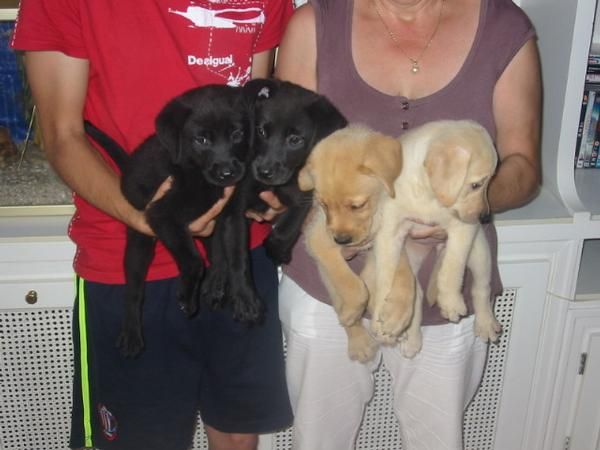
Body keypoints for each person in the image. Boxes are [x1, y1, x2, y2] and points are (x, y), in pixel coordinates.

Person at [11, 1, 294, 449]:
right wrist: (151, 219)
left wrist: (272, 191)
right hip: (128, 260)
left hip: (241, 256)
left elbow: (253, 116)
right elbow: (62, 134)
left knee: (239, 435)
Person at [274, 0, 542, 449]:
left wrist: (461, 203)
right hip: (333, 287)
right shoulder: (314, 24)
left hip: (444, 287)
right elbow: (286, 161)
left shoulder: (504, 26)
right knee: (318, 441)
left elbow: (524, 167)